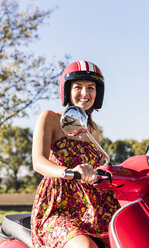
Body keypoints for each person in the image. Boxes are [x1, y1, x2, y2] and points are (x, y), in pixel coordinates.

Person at [31, 60, 120, 248]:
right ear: (67, 90)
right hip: (59, 204)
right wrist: (70, 171)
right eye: (78, 87)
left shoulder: (93, 129)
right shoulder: (51, 118)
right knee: (85, 246)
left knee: (124, 237)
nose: (85, 93)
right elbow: (38, 162)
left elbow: (98, 167)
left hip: (94, 205)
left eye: (91, 88)